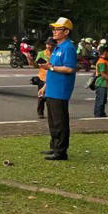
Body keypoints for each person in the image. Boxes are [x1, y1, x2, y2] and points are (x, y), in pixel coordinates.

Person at [38, 17, 77, 161]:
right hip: (52, 89)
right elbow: (51, 69)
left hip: (61, 90)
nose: (54, 32)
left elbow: (70, 68)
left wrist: (51, 67)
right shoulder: (57, 48)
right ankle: (54, 146)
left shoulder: (68, 48)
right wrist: (45, 86)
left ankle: (61, 151)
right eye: (54, 29)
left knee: (60, 121)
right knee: (53, 121)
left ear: (66, 31)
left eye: (58, 29)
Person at [35, 38, 56, 118]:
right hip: (42, 77)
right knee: (41, 97)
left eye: (51, 45)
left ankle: (51, 113)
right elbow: (36, 64)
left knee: (51, 97)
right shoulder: (41, 53)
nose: (49, 46)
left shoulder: (56, 54)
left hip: (52, 77)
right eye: (47, 44)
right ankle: (40, 112)